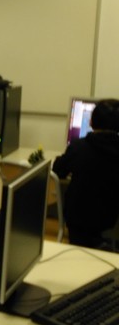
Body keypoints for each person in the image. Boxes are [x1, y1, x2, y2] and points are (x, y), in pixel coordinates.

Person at [52, 98, 119, 249]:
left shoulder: (78, 147)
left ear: (91, 122)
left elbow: (57, 171)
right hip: (109, 220)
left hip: (78, 222)